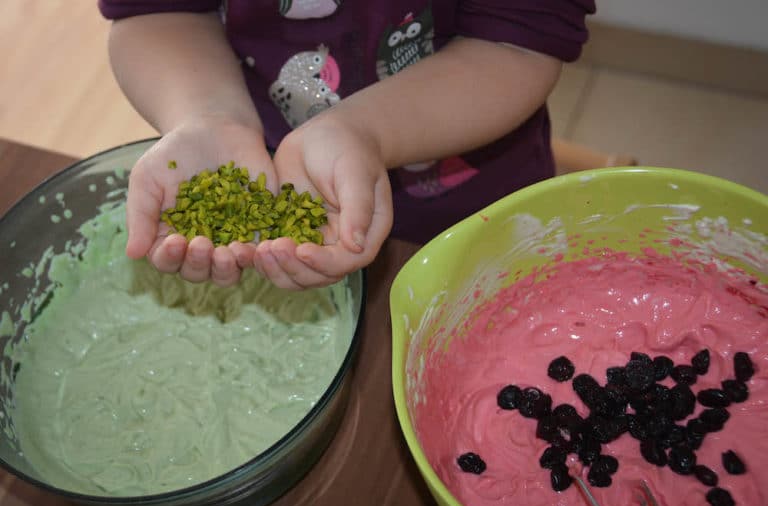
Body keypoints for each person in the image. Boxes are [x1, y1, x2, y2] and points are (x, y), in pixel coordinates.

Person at [98, 0, 595, 289]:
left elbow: (518, 42)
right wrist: (208, 114)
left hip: (472, 208)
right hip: (278, 176)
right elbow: (155, 12)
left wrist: (367, 130)